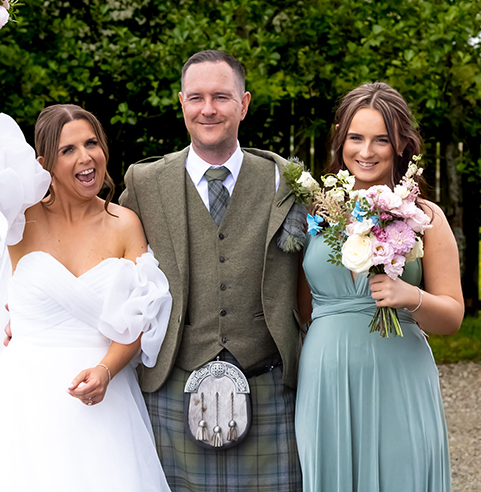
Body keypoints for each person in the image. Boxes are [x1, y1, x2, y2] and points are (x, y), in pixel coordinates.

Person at [0, 66, 173, 492]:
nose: (86, 157)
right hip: (22, 401)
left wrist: (106, 371)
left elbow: (142, 318)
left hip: (102, 402)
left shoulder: (125, 224)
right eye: (68, 150)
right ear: (44, 165)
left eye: (92, 143)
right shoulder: (23, 219)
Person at [119, 50, 305, 492]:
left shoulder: (288, 181)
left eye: (221, 97)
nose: (208, 109)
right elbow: (107, 261)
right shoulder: (144, 183)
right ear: (181, 102)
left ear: (244, 104)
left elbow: (325, 267)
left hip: (269, 382)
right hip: (173, 382)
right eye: (197, 97)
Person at [294, 82, 463, 491]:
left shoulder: (425, 217)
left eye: (381, 140)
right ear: (341, 138)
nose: (366, 151)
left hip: (399, 375)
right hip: (326, 377)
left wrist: (412, 297)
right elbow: (302, 309)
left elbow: (453, 316)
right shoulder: (316, 210)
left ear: (401, 144)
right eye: (356, 137)